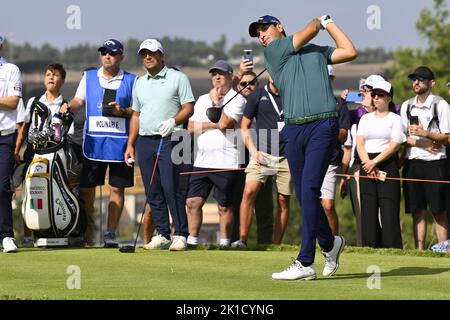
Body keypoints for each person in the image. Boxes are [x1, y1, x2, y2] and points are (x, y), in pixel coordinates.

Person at [248, 14, 357, 280]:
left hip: (323, 125)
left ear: (279, 27)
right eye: (258, 33)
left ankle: (305, 261)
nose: (262, 35)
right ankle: (331, 244)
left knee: (309, 189)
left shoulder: (316, 53)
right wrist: (318, 21)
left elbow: (350, 51)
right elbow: (309, 31)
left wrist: (330, 23)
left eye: (265, 29)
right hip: (294, 129)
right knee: (306, 193)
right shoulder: (274, 52)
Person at [124, 38, 195, 251]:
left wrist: (174, 121)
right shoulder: (140, 82)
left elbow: (188, 107)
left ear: (161, 56)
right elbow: (136, 115)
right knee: (152, 189)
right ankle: (163, 233)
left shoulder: (178, 78)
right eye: (144, 53)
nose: (147, 56)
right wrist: (130, 144)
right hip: (145, 141)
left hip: (171, 138)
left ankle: (181, 234)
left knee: (171, 187)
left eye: (152, 53)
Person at [69, 39, 137, 247]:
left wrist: (122, 112)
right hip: (94, 145)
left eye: (113, 53)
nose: (107, 56)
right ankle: (86, 234)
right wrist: (66, 107)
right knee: (88, 190)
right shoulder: (89, 77)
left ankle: (110, 234)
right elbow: (78, 101)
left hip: (120, 146)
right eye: (104, 52)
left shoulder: (132, 80)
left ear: (121, 57)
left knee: (117, 189)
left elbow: (136, 113)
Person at [186, 60, 246, 248]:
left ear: (230, 76)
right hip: (202, 161)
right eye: (214, 74)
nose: (217, 77)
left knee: (224, 205)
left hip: (226, 161)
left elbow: (227, 123)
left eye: (221, 74)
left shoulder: (237, 99)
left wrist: (215, 104)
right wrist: (213, 124)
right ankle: (192, 241)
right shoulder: (202, 99)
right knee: (192, 202)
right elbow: (190, 127)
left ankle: (224, 243)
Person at [232, 75, 292, 248]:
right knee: (249, 192)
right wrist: (253, 151)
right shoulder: (257, 95)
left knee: (283, 200)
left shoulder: (292, 94)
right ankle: (242, 240)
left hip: (287, 155)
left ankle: (276, 244)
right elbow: (244, 127)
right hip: (262, 154)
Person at [16, 64, 69, 247]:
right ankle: (28, 236)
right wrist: (16, 150)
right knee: (29, 193)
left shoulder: (65, 105)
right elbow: (23, 129)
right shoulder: (33, 102)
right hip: (33, 152)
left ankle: (51, 232)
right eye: (48, 74)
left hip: (54, 155)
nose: (51, 78)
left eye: (55, 75)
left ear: (62, 80)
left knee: (53, 193)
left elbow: (62, 135)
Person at [400, 66, 449, 250]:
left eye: (421, 79)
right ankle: (420, 250)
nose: (416, 82)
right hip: (413, 163)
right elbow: (401, 137)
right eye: (414, 79)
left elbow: (448, 137)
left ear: (432, 83)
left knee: (439, 212)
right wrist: (421, 143)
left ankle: (444, 251)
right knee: (417, 211)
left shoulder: (440, 104)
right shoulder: (406, 106)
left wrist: (425, 133)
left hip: (437, 164)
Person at [356, 80, 406, 248]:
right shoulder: (365, 118)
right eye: (374, 95)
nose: (376, 98)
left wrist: (375, 162)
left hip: (386, 163)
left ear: (389, 98)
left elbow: (394, 145)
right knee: (368, 211)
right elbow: (360, 143)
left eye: (381, 95)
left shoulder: (395, 119)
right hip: (366, 164)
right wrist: (367, 163)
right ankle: (370, 248)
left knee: (389, 210)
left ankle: (393, 249)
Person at [230, 69, 276, 245]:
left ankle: (265, 242)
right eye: (243, 83)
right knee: (240, 200)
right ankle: (238, 240)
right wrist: (238, 72)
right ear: (238, 86)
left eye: (252, 83)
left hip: (262, 155)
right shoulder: (235, 102)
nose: (248, 86)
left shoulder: (264, 101)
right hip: (239, 157)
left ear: (257, 85)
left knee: (264, 204)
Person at [339, 75, 383, 245]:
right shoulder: (354, 114)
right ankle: (364, 246)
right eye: (362, 91)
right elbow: (348, 146)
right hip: (357, 168)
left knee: (382, 213)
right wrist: (342, 103)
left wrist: (371, 108)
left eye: (367, 91)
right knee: (361, 213)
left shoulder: (389, 111)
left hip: (379, 165)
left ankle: (384, 247)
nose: (363, 94)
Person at [320, 65, 350, 235]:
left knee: (328, 205)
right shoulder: (309, 102)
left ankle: (333, 242)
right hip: (310, 159)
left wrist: (324, 131)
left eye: (328, 77)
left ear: (332, 79)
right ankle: (315, 242)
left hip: (330, 160)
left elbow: (343, 136)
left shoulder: (340, 104)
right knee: (313, 206)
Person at [0, 35, 22, 253]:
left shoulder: (11, 69)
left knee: (2, 186)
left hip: (4, 136)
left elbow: (12, 101)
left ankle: (6, 235)